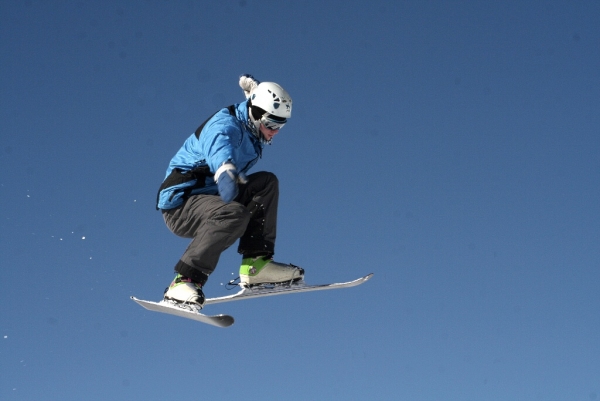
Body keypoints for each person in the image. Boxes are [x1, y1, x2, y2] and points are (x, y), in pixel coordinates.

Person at [156, 74, 304, 307]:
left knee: (266, 183)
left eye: (281, 125)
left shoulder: (251, 119)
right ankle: (184, 281)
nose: (275, 131)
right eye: (271, 124)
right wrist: (224, 170)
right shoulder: (224, 126)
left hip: (209, 196)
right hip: (181, 203)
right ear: (256, 115)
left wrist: (255, 93)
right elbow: (219, 144)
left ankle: (256, 265)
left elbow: (251, 107)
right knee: (233, 214)